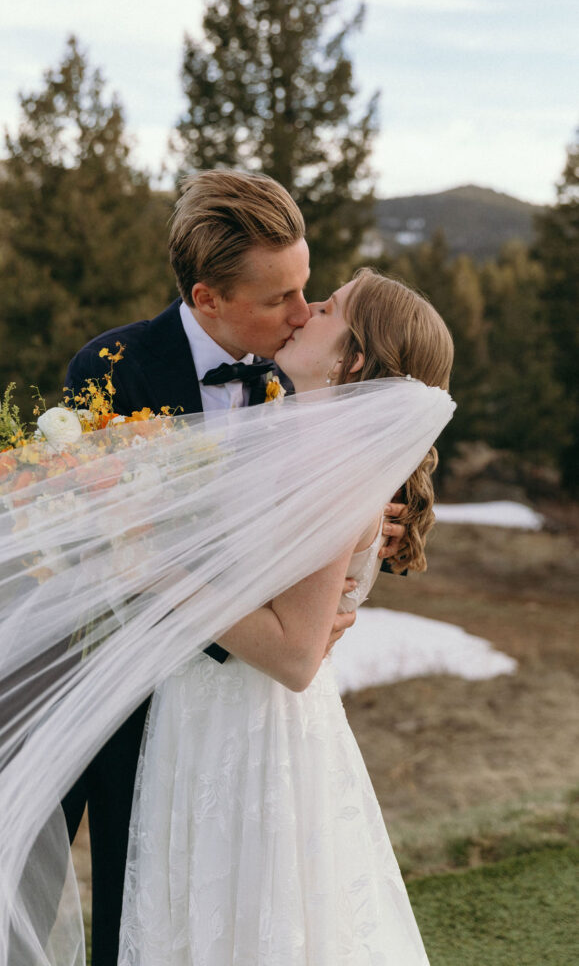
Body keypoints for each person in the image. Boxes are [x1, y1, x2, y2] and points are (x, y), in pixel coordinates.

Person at [60, 170, 410, 964]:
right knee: (135, 904)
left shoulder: (308, 382)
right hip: (129, 684)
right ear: (206, 298)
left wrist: (334, 586)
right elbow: (93, 550)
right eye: (276, 298)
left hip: (249, 703)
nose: (300, 313)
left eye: (306, 289)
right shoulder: (110, 370)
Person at [117, 268, 454, 965]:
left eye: (326, 308)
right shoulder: (300, 439)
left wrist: (150, 568)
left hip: (251, 728)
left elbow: (295, 658)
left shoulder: (327, 464)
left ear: (351, 358)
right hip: (208, 714)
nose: (303, 314)